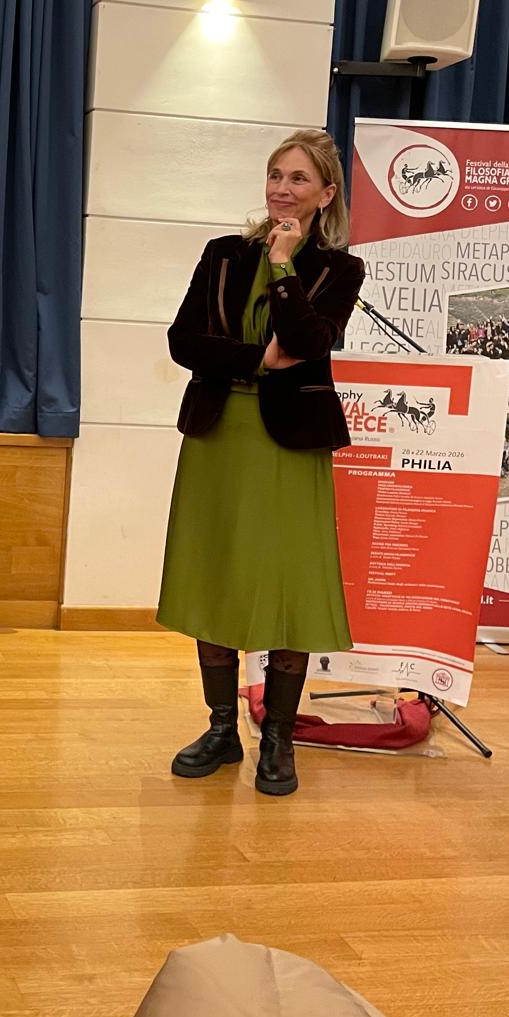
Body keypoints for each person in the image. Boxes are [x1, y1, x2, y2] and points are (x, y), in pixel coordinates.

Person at [157, 129, 364, 797]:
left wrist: (282, 265)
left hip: (290, 444)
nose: (281, 188)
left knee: (288, 584)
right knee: (215, 576)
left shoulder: (340, 270)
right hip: (219, 436)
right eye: (276, 174)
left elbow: (308, 340)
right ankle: (222, 728)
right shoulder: (222, 254)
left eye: (299, 178)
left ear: (325, 194)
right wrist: (255, 360)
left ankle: (278, 736)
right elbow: (184, 341)